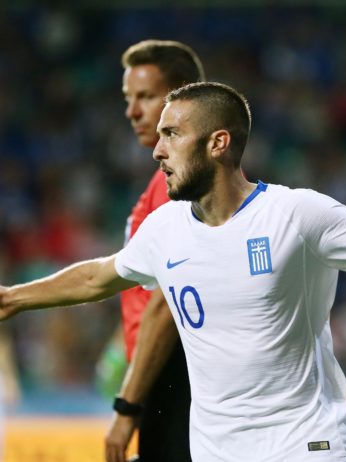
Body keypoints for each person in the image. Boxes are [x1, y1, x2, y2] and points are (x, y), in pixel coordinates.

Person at [1, 81, 346, 462]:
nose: (157, 150)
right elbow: (98, 276)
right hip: (215, 450)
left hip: (304, 444)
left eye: (172, 134)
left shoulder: (296, 214)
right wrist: (14, 298)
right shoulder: (164, 229)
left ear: (218, 143)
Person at [104, 39, 205, 462]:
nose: (132, 111)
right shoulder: (160, 184)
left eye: (145, 97)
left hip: (173, 376)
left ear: (180, 99)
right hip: (164, 377)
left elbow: (166, 303)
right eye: (129, 98)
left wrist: (127, 406)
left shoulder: (177, 188)